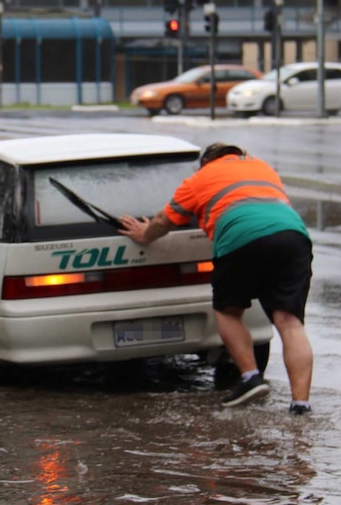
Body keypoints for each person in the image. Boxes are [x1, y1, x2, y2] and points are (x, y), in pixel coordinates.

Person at [118, 143, 314, 415]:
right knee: (290, 323)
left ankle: (250, 377)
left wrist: (143, 235)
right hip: (293, 235)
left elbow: (164, 220)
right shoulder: (262, 167)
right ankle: (300, 405)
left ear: (206, 162)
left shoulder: (200, 179)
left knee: (228, 310)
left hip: (241, 237)